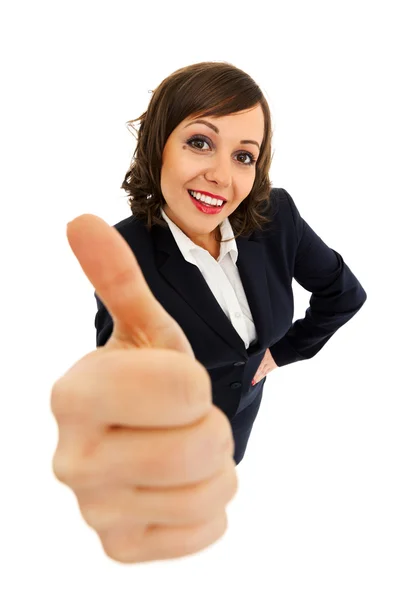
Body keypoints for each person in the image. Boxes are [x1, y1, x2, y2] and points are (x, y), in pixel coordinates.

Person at [51, 61, 367, 564]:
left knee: (230, 463)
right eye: (200, 142)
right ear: (158, 146)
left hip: (244, 406)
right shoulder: (124, 256)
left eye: (245, 155)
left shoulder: (276, 217)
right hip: (177, 439)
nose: (222, 175)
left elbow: (344, 295)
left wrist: (280, 354)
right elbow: (119, 372)